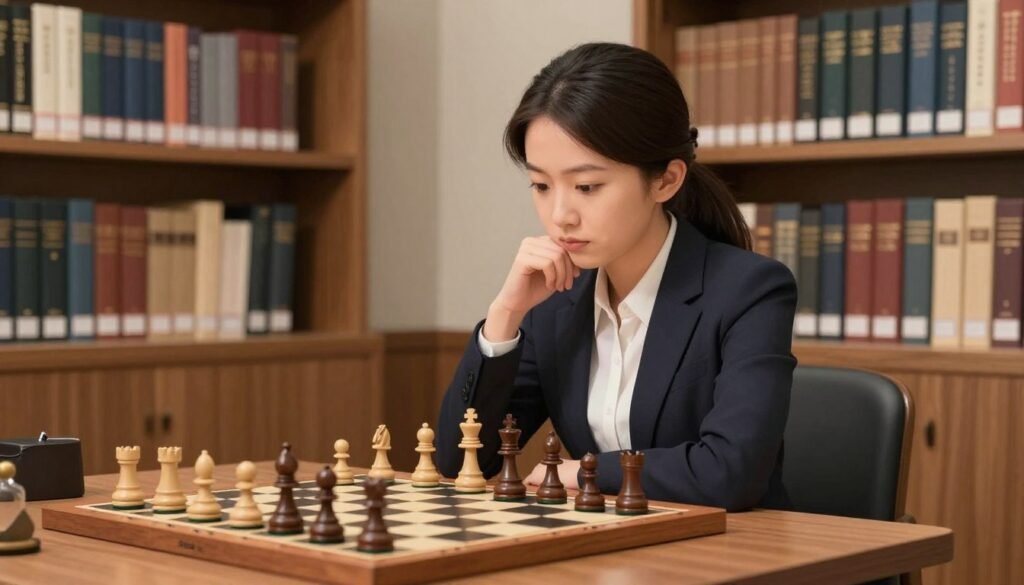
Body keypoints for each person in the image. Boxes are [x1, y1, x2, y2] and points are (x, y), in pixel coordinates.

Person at [434, 42, 797, 511]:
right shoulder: (556, 301)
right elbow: (458, 461)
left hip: (728, 555)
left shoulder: (749, 290)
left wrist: (580, 471)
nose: (560, 215)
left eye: (587, 187)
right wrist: (505, 316)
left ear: (666, 180)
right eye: (541, 186)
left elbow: (731, 472)